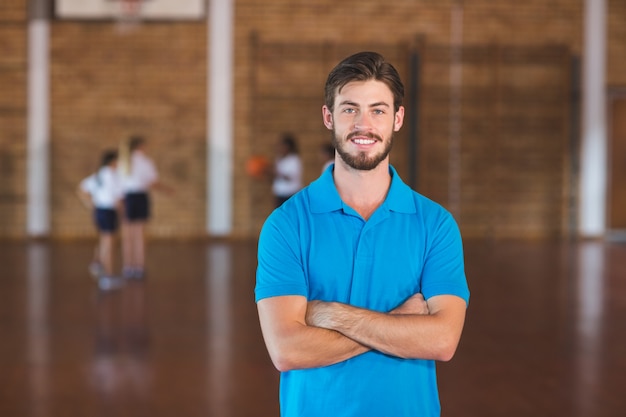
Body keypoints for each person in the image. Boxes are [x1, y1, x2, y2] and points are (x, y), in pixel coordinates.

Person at [255, 51, 470, 417]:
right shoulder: (286, 224)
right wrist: (399, 322)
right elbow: (287, 350)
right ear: (329, 116)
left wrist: (331, 314)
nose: (364, 124)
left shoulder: (436, 224)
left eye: (378, 110)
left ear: (398, 119)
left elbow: (443, 340)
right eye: (350, 109)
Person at [118, 135, 168, 280]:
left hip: (126, 198)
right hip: (140, 197)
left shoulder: (123, 162)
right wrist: (167, 189)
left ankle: (128, 266)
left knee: (128, 235)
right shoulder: (145, 162)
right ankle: (139, 267)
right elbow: (152, 182)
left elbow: (119, 185)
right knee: (139, 234)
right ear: (139, 146)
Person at [77, 149, 125, 291]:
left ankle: (100, 266)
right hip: (109, 210)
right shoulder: (112, 175)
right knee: (109, 243)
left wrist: (92, 203)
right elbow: (117, 196)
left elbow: (82, 189)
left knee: (105, 240)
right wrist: (121, 208)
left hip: (100, 210)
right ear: (113, 161)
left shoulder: (98, 175)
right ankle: (108, 276)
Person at [271, 133, 302, 207]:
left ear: (288, 146)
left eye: (282, 145)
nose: (279, 148)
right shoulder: (279, 159)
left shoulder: (294, 160)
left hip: (290, 193)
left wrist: (277, 173)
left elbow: (290, 177)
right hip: (279, 193)